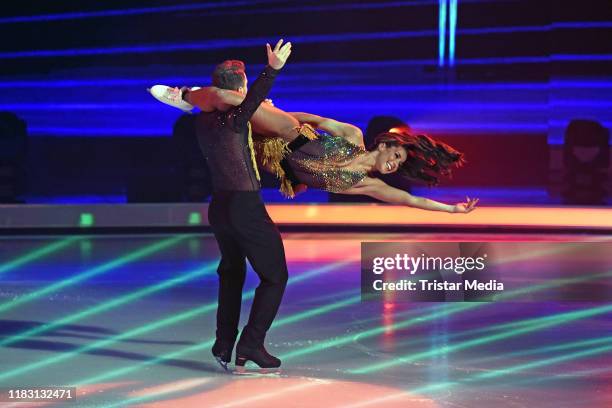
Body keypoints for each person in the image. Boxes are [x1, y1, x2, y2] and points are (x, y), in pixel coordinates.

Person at [150, 80, 478, 214]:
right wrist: (269, 112)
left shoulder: (369, 185)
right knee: (230, 101)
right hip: (294, 135)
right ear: (388, 144)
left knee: (238, 114)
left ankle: (242, 98)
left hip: (278, 166)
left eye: (398, 164)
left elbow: (411, 199)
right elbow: (313, 120)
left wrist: (452, 209)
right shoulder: (352, 136)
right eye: (395, 155)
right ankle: (186, 95)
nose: (393, 164)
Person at [196, 39, 292, 373]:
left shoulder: (202, 121)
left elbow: (245, 114)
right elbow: (246, 109)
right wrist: (273, 68)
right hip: (244, 207)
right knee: (275, 276)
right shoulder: (236, 117)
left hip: (219, 207)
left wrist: (258, 106)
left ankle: (224, 345)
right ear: (239, 88)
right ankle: (251, 343)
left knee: (232, 273)